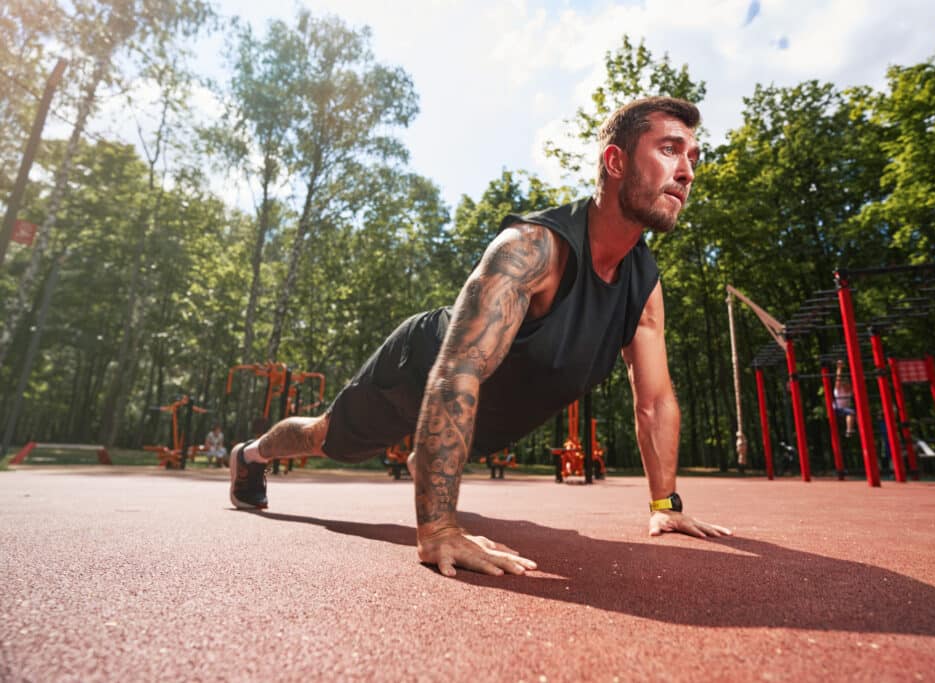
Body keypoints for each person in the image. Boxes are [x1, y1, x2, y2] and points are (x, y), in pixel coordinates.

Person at [228, 97, 732, 577]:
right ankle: (250, 455)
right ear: (616, 161)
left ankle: (426, 458)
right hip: (421, 367)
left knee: (426, 441)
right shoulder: (533, 248)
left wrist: (665, 505)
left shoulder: (643, 285)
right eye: (669, 150)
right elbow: (457, 368)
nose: (687, 171)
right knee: (327, 438)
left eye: (692, 156)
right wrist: (439, 527)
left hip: (485, 419)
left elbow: (655, 399)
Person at [834, 360, 856, 437]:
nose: (847, 385)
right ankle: (849, 431)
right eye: (846, 383)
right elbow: (838, 379)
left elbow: (856, 381)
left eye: (848, 383)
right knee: (851, 412)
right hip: (837, 409)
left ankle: (853, 428)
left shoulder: (850, 390)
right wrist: (839, 368)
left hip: (844, 410)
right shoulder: (839, 389)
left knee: (854, 412)